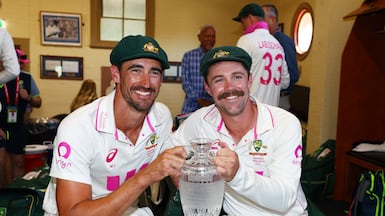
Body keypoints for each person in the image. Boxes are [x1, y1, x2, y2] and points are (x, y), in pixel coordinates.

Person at [42, 35, 187, 216]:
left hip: (127, 210)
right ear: (116, 74)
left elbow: (173, 163)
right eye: (136, 70)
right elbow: (73, 213)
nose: (146, 82)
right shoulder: (78, 127)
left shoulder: (161, 116)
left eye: (154, 72)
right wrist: (146, 176)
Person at [171, 46, 308, 215]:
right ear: (207, 87)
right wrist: (178, 175)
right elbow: (169, 147)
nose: (229, 87)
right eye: (219, 80)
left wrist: (237, 174)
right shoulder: (202, 120)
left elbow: (284, 198)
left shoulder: (284, 123)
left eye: (237, 77)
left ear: (249, 80)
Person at [233, 3, 290, 107]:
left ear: (250, 18)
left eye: (242, 22)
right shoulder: (278, 44)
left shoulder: (246, 40)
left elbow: (236, 76)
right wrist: (268, 88)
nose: (242, 27)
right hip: (272, 111)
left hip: (251, 109)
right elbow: (286, 82)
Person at [0, 48, 42, 188]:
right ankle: (4, 197)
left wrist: (28, 97)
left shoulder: (27, 78)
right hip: (1, 127)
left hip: (18, 126)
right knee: (2, 164)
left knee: (18, 162)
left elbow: (38, 102)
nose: (20, 65)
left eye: (21, 63)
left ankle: (18, 194)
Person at [262, 4, 300, 110]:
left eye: (262, 19)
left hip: (279, 100)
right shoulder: (267, 40)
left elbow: (293, 74)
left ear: (272, 19)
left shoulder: (283, 41)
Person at [180, 24, 216, 114]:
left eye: (213, 37)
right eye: (207, 36)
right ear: (199, 37)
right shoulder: (188, 56)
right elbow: (185, 82)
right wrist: (199, 100)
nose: (210, 39)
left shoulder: (217, 58)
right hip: (191, 106)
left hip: (212, 107)